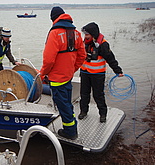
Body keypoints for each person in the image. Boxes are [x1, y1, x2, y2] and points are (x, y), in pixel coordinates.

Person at [40, 7, 86, 140]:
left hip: (56, 79)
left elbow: (48, 60)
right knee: (67, 103)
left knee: (63, 106)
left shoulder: (54, 33)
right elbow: (82, 56)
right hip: (68, 77)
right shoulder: (76, 33)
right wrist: (72, 69)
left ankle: (70, 132)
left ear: (53, 19)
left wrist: (43, 74)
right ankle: (71, 127)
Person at [79, 22, 124, 123]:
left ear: (94, 34)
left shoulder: (103, 45)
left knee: (98, 95)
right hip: (85, 73)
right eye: (85, 34)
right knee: (84, 94)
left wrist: (118, 71)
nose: (85, 36)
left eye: (87, 34)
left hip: (97, 75)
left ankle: (103, 114)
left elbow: (110, 59)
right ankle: (83, 112)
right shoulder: (84, 43)